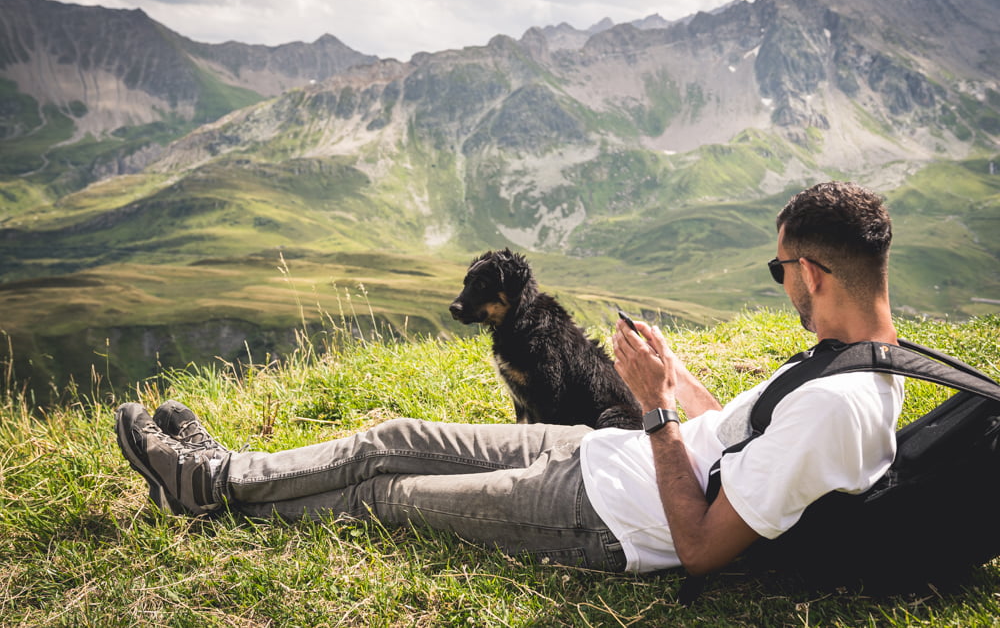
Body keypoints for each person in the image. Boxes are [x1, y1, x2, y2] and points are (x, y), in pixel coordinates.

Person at [115, 181, 903, 577]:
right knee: (393, 437)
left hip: (603, 515)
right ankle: (233, 472)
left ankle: (208, 482)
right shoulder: (854, 361)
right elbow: (730, 437)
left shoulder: (836, 406)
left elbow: (699, 546)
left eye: (779, 270)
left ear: (810, 269)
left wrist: (656, 414)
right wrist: (676, 381)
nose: (781, 283)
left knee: (384, 495)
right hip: (594, 452)